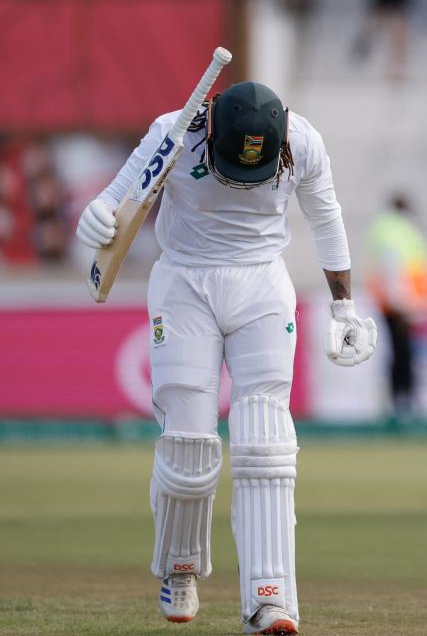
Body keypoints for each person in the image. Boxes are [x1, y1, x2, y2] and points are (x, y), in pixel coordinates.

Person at [76, 82, 377, 635]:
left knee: (267, 446)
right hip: (184, 280)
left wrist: (344, 309)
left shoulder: (302, 141)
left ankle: (270, 599)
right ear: (213, 133)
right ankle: (179, 567)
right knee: (188, 448)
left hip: (262, 281)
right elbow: (119, 196)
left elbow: (327, 219)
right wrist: (96, 218)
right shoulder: (178, 128)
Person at [365, 193, 427, 416]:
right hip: (400, 304)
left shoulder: (387, 228)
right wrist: (403, 304)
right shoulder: (396, 229)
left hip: (397, 303)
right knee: (403, 352)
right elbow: (394, 269)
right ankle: (402, 401)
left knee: (401, 351)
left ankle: (401, 399)